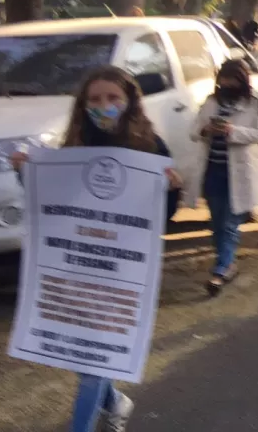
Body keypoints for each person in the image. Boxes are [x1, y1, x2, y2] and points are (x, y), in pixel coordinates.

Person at [11, 66, 183, 432]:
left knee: (93, 366)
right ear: (83, 104)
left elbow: (159, 219)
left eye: (112, 98)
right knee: (85, 354)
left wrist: (171, 191)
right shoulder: (73, 148)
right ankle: (116, 403)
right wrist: (26, 173)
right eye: (95, 99)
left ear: (129, 102)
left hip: (120, 273)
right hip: (77, 271)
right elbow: (56, 203)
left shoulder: (150, 147)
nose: (103, 106)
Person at [188, 60, 258, 294]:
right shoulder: (212, 101)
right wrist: (207, 130)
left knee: (230, 222)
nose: (226, 84)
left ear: (242, 80)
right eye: (223, 80)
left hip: (239, 173)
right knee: (216, 222)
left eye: (231, 80)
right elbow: (193, 130)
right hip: (213, 170)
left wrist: (232, 131)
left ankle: (221, 268)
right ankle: (227, 260)